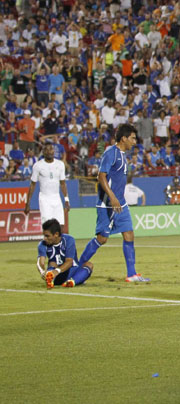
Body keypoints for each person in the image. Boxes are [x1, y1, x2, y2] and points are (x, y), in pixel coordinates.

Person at [77, 123, 150, 283]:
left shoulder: (123, 154)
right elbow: (101, 177)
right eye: (132, 138)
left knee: (129, 234)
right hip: (107, 204)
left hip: (120, 204)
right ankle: (77, 265)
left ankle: (131, 274)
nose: (134, 141)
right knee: (102, 238)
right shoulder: (111, 153)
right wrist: (112, 196)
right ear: (123, 138)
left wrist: (118, 198)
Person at [37, 218, 93, 289]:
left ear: (56, 234)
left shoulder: (69, 240)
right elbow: (40, 262)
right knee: (52, 263)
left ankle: (71, 282)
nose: (44, 238)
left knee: (89, 264)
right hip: (56, 276)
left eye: (47, 236)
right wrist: (42, 271)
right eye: (44, 235)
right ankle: (55, 280)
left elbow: (69, 262)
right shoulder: (42, 244)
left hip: (67, 271)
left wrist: (56, 271)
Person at [24, 143, 70, 228]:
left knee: (61, 226)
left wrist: (66, 199)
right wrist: (27, 203)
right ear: (43, 152)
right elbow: (32, 185)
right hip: (45, 198)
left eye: (51, 149)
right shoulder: (38, 166)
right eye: (46, 149)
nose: (49, 151)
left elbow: (63, 183)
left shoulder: (60, 164)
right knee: (48, 227)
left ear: (54, 151)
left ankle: (58, 242)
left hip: (57, 197)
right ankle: (48, 241)